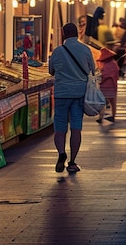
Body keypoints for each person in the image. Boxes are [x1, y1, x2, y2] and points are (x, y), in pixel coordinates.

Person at [48, 22, 96, 174]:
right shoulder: (85, 49)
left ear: (63, 34)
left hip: (61, 93)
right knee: (76, 128)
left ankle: (61, 153)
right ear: (77, 34)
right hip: (78, 93)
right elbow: (92, 70)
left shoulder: (57, 52)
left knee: (60, 128)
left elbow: (51, 71)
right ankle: (73, 162)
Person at [96, 47, 119, 123]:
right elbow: (116, 75)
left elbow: (102, 76)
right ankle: (113, 115)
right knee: (113, 102)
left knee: (102, 103)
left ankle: (101, 116)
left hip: (104, 87)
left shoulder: (103, 66)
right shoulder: (114, 64)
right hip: (112, 86)